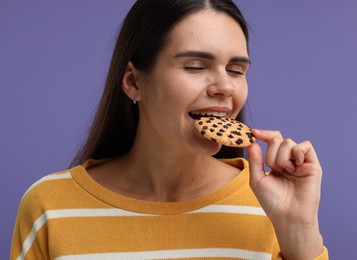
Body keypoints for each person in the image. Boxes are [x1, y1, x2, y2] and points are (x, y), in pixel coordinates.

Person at [11, 0, 328, 259]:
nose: (225, 87)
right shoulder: (49, 207)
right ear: (134, 82)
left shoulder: (269, 206)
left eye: (236, 70)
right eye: (195, 66)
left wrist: (298, 234)